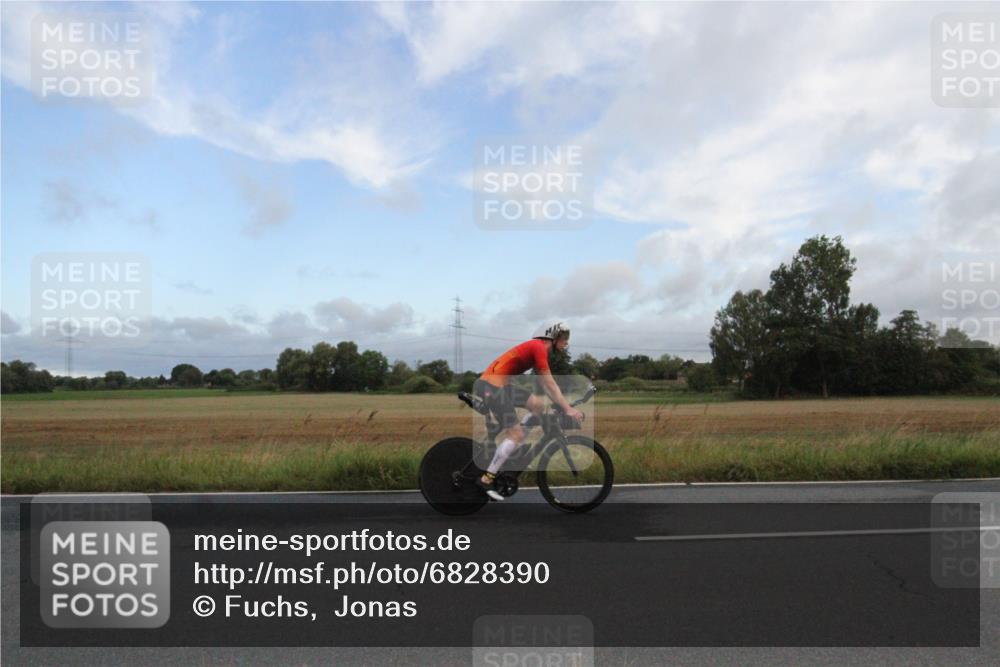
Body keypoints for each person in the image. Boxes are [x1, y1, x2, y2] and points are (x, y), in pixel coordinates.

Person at [472, 320, 584, 501]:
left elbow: (542, 382)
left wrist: (555, 404)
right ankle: (486, 479)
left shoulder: (538, 349)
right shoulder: (538, 347)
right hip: (491, 387)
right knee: (515, 433)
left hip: (499, 386)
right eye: (564, 338)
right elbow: (549, 382)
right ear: (553, 336)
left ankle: (516, 446)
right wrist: (567, 408)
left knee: (538, 405)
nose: (566, 342)